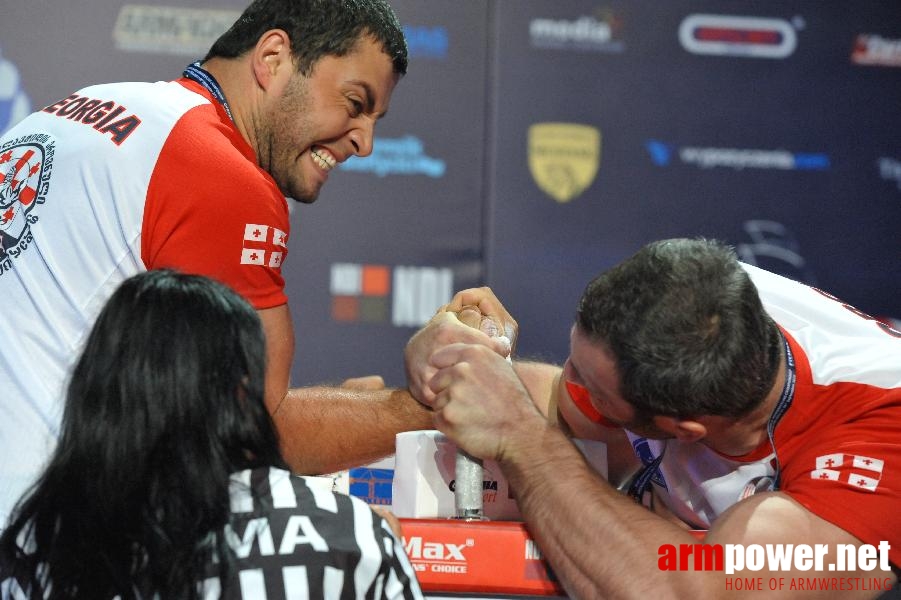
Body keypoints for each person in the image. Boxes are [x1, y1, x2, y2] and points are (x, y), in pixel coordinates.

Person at [0, 0, 433, 524]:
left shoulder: (83, 106)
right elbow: (260, 432)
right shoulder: (219, 174)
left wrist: (338, 410)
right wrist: (430, 406)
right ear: (273, 58)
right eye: (355, 102)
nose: (365, 142)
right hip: (37, 533)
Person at [405, 238, 901, 599]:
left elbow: (682, 591)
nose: (571, 378)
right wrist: (463, 365)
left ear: (685, 430)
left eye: (593, 384)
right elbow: (560, 403)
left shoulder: (883, 435)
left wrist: (522, 436)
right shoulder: (702, 303)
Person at [0, 269, 423, 600]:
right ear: (243, 390)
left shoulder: (38, 540)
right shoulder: (349, 536)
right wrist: (374, 547)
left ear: (98, 388)